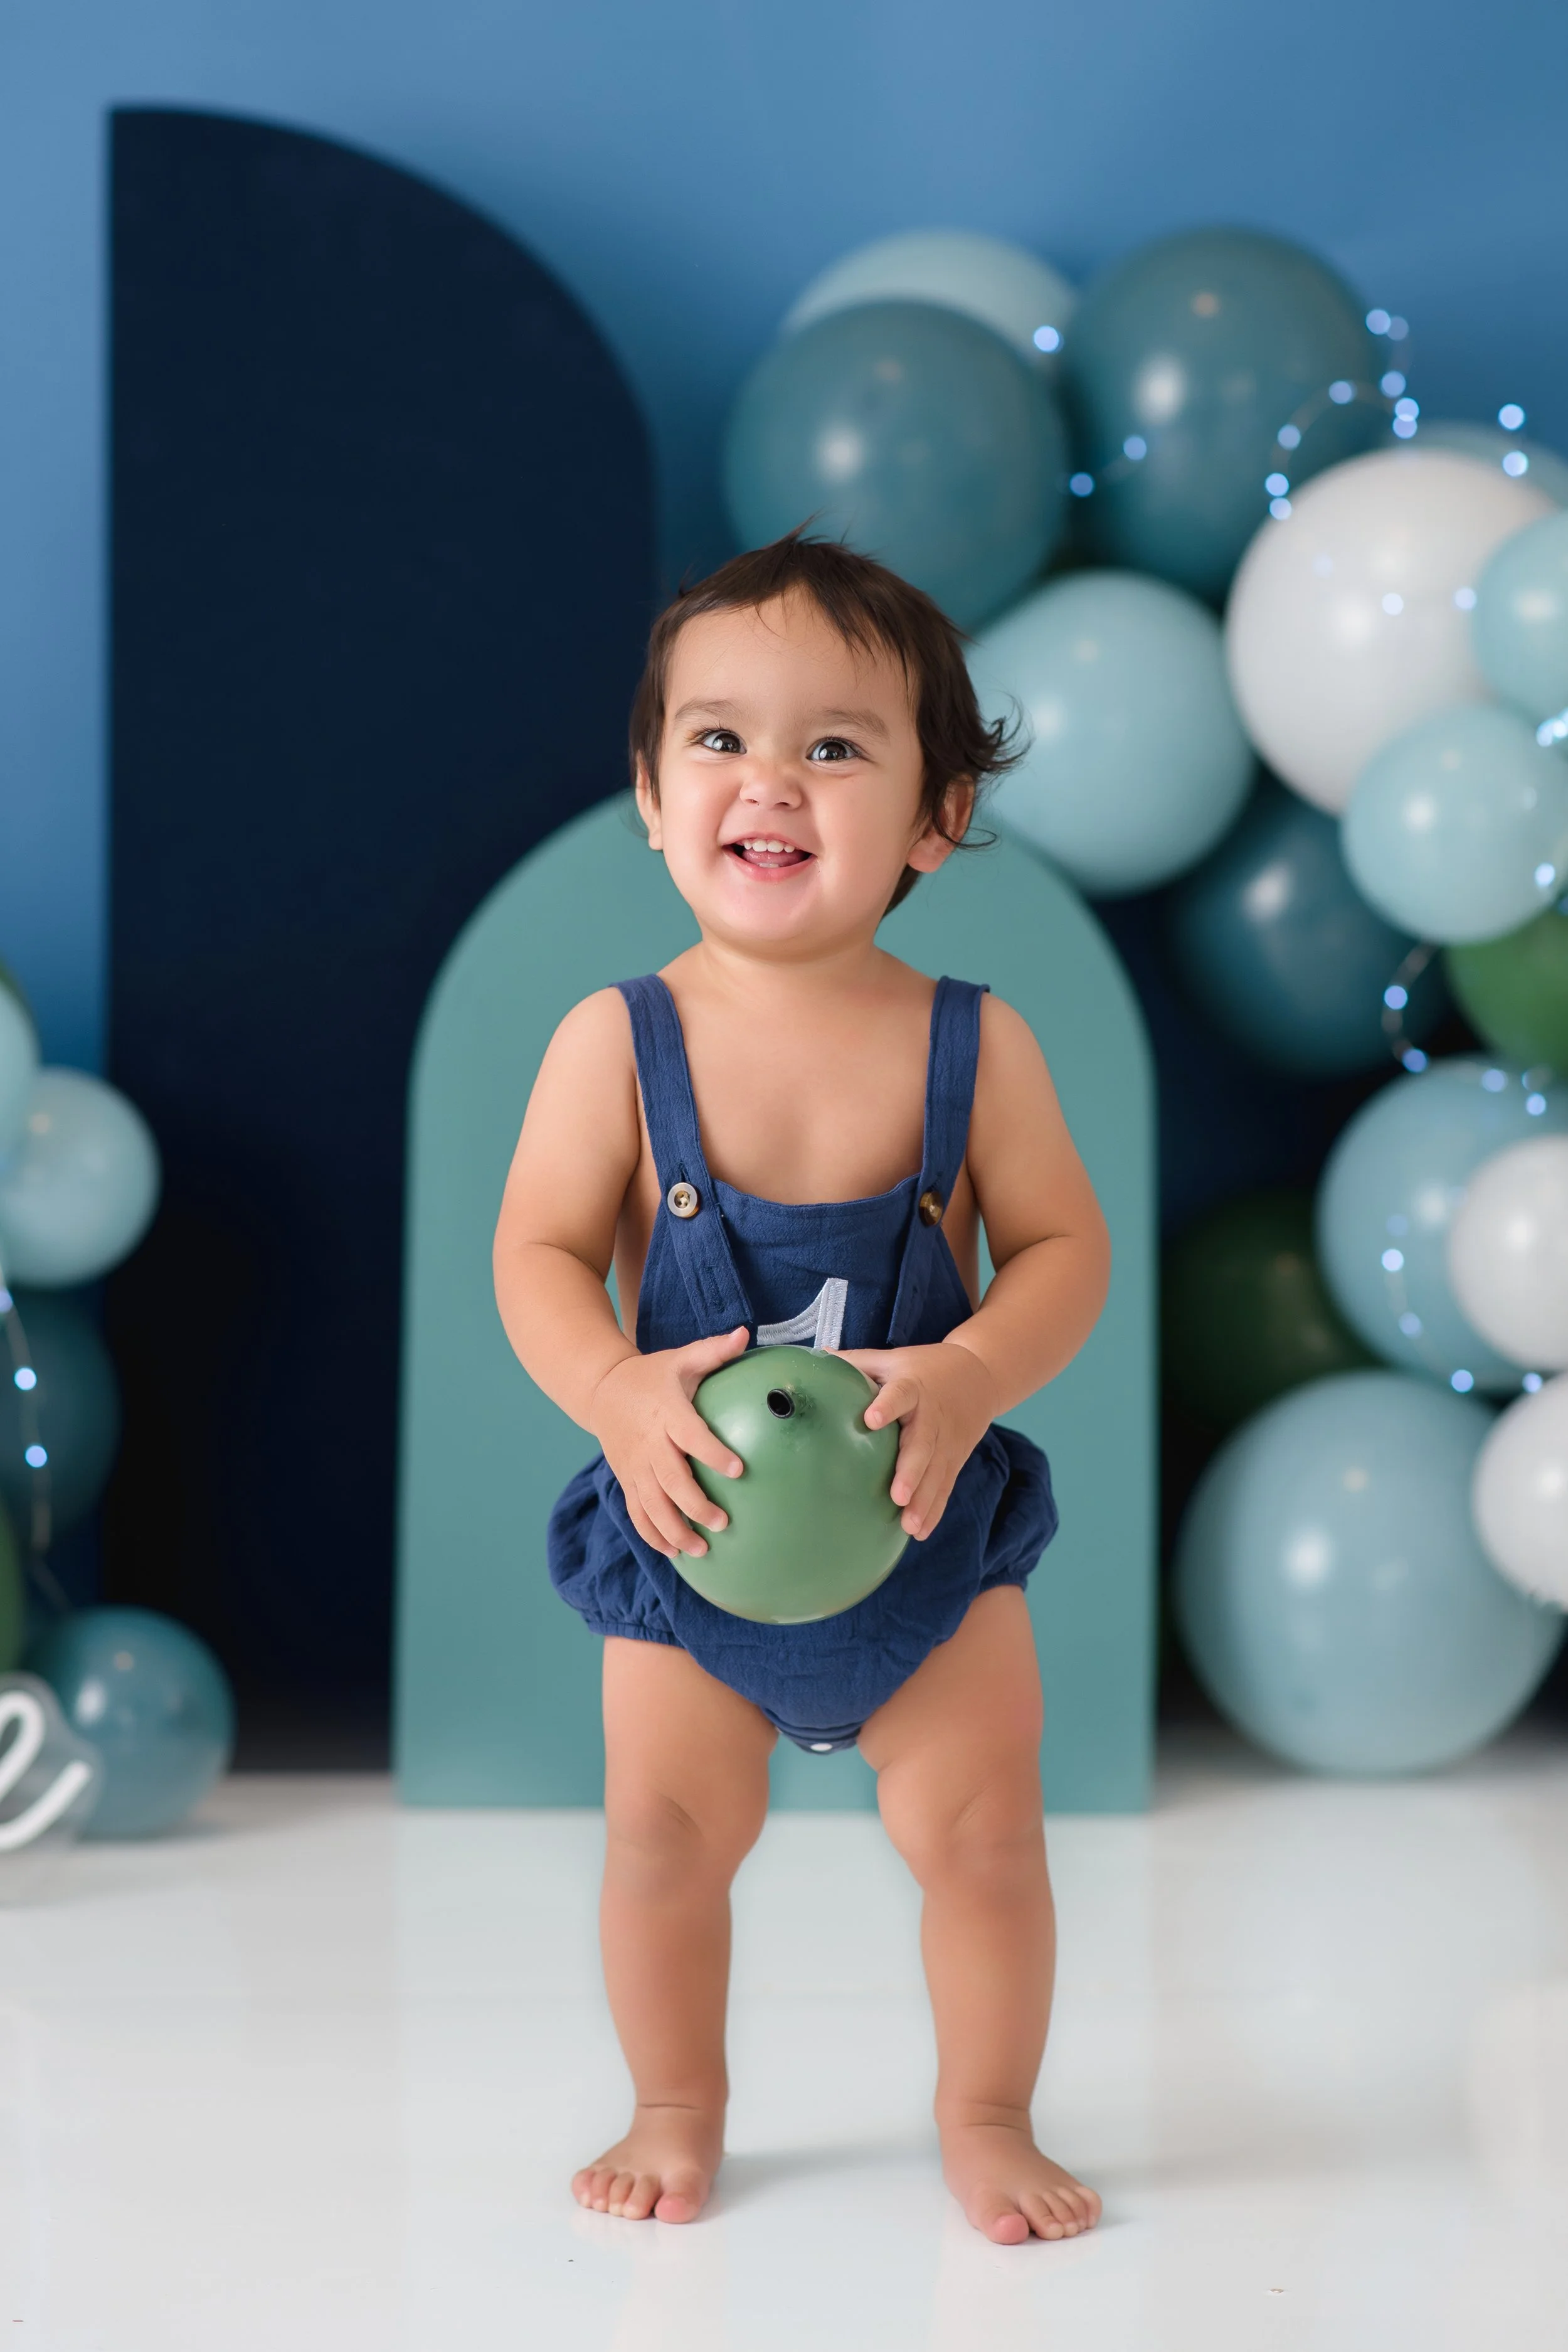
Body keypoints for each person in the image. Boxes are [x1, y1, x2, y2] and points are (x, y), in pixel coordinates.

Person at [493, 531, 1110, 2245]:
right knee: (661, 1843)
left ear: (934, 820)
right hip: (687, 1541)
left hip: (927, 1536)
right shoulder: (616, 1042)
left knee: (985, 1843)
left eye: (834, 745)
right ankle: (673, 2104)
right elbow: (537, 1254)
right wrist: (617, 1394)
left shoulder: (974, 1044)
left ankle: (987, 2113)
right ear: (650, 794)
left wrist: (974, 1367)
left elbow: (1063, 1248)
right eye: (719, 738)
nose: (769, 780)